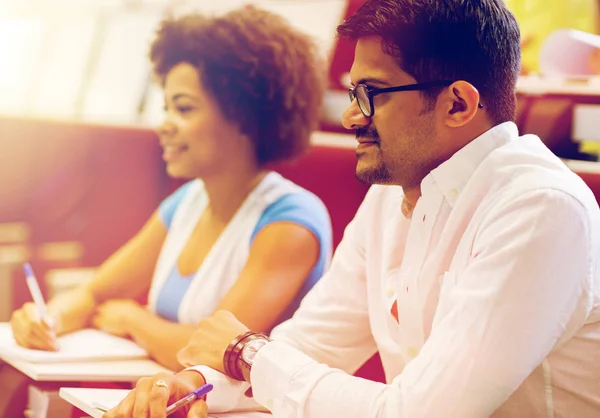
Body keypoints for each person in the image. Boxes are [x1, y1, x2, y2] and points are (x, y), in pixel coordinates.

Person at [106, 0, 600, 417]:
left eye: (371, 95)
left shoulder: (539, 209)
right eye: (351, 92)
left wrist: (246, 352)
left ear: (458, 105)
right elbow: (314, 342)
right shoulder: (391, 193)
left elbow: (421, 414)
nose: (349, 117)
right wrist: (195, 383)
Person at [9, 6, 332, 372]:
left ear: (244, 115)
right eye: (166, 108)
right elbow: (94, 294)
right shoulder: (188, 201)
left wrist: (134, 320)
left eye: (184, 108)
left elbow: (214, 352)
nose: (165, 125)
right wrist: (46, 319)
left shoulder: (292, 222)